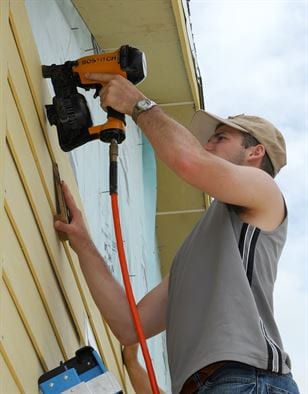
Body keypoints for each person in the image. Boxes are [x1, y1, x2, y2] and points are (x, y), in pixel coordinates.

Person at [55, 73, 300, 393]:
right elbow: (131, 326)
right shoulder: (202, 248)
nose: (207, 143)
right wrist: (83, 243)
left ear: (255, 153)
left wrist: (137, 104)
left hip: (245, 381)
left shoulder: (264, 191)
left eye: (220, 137)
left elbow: (188, 161)